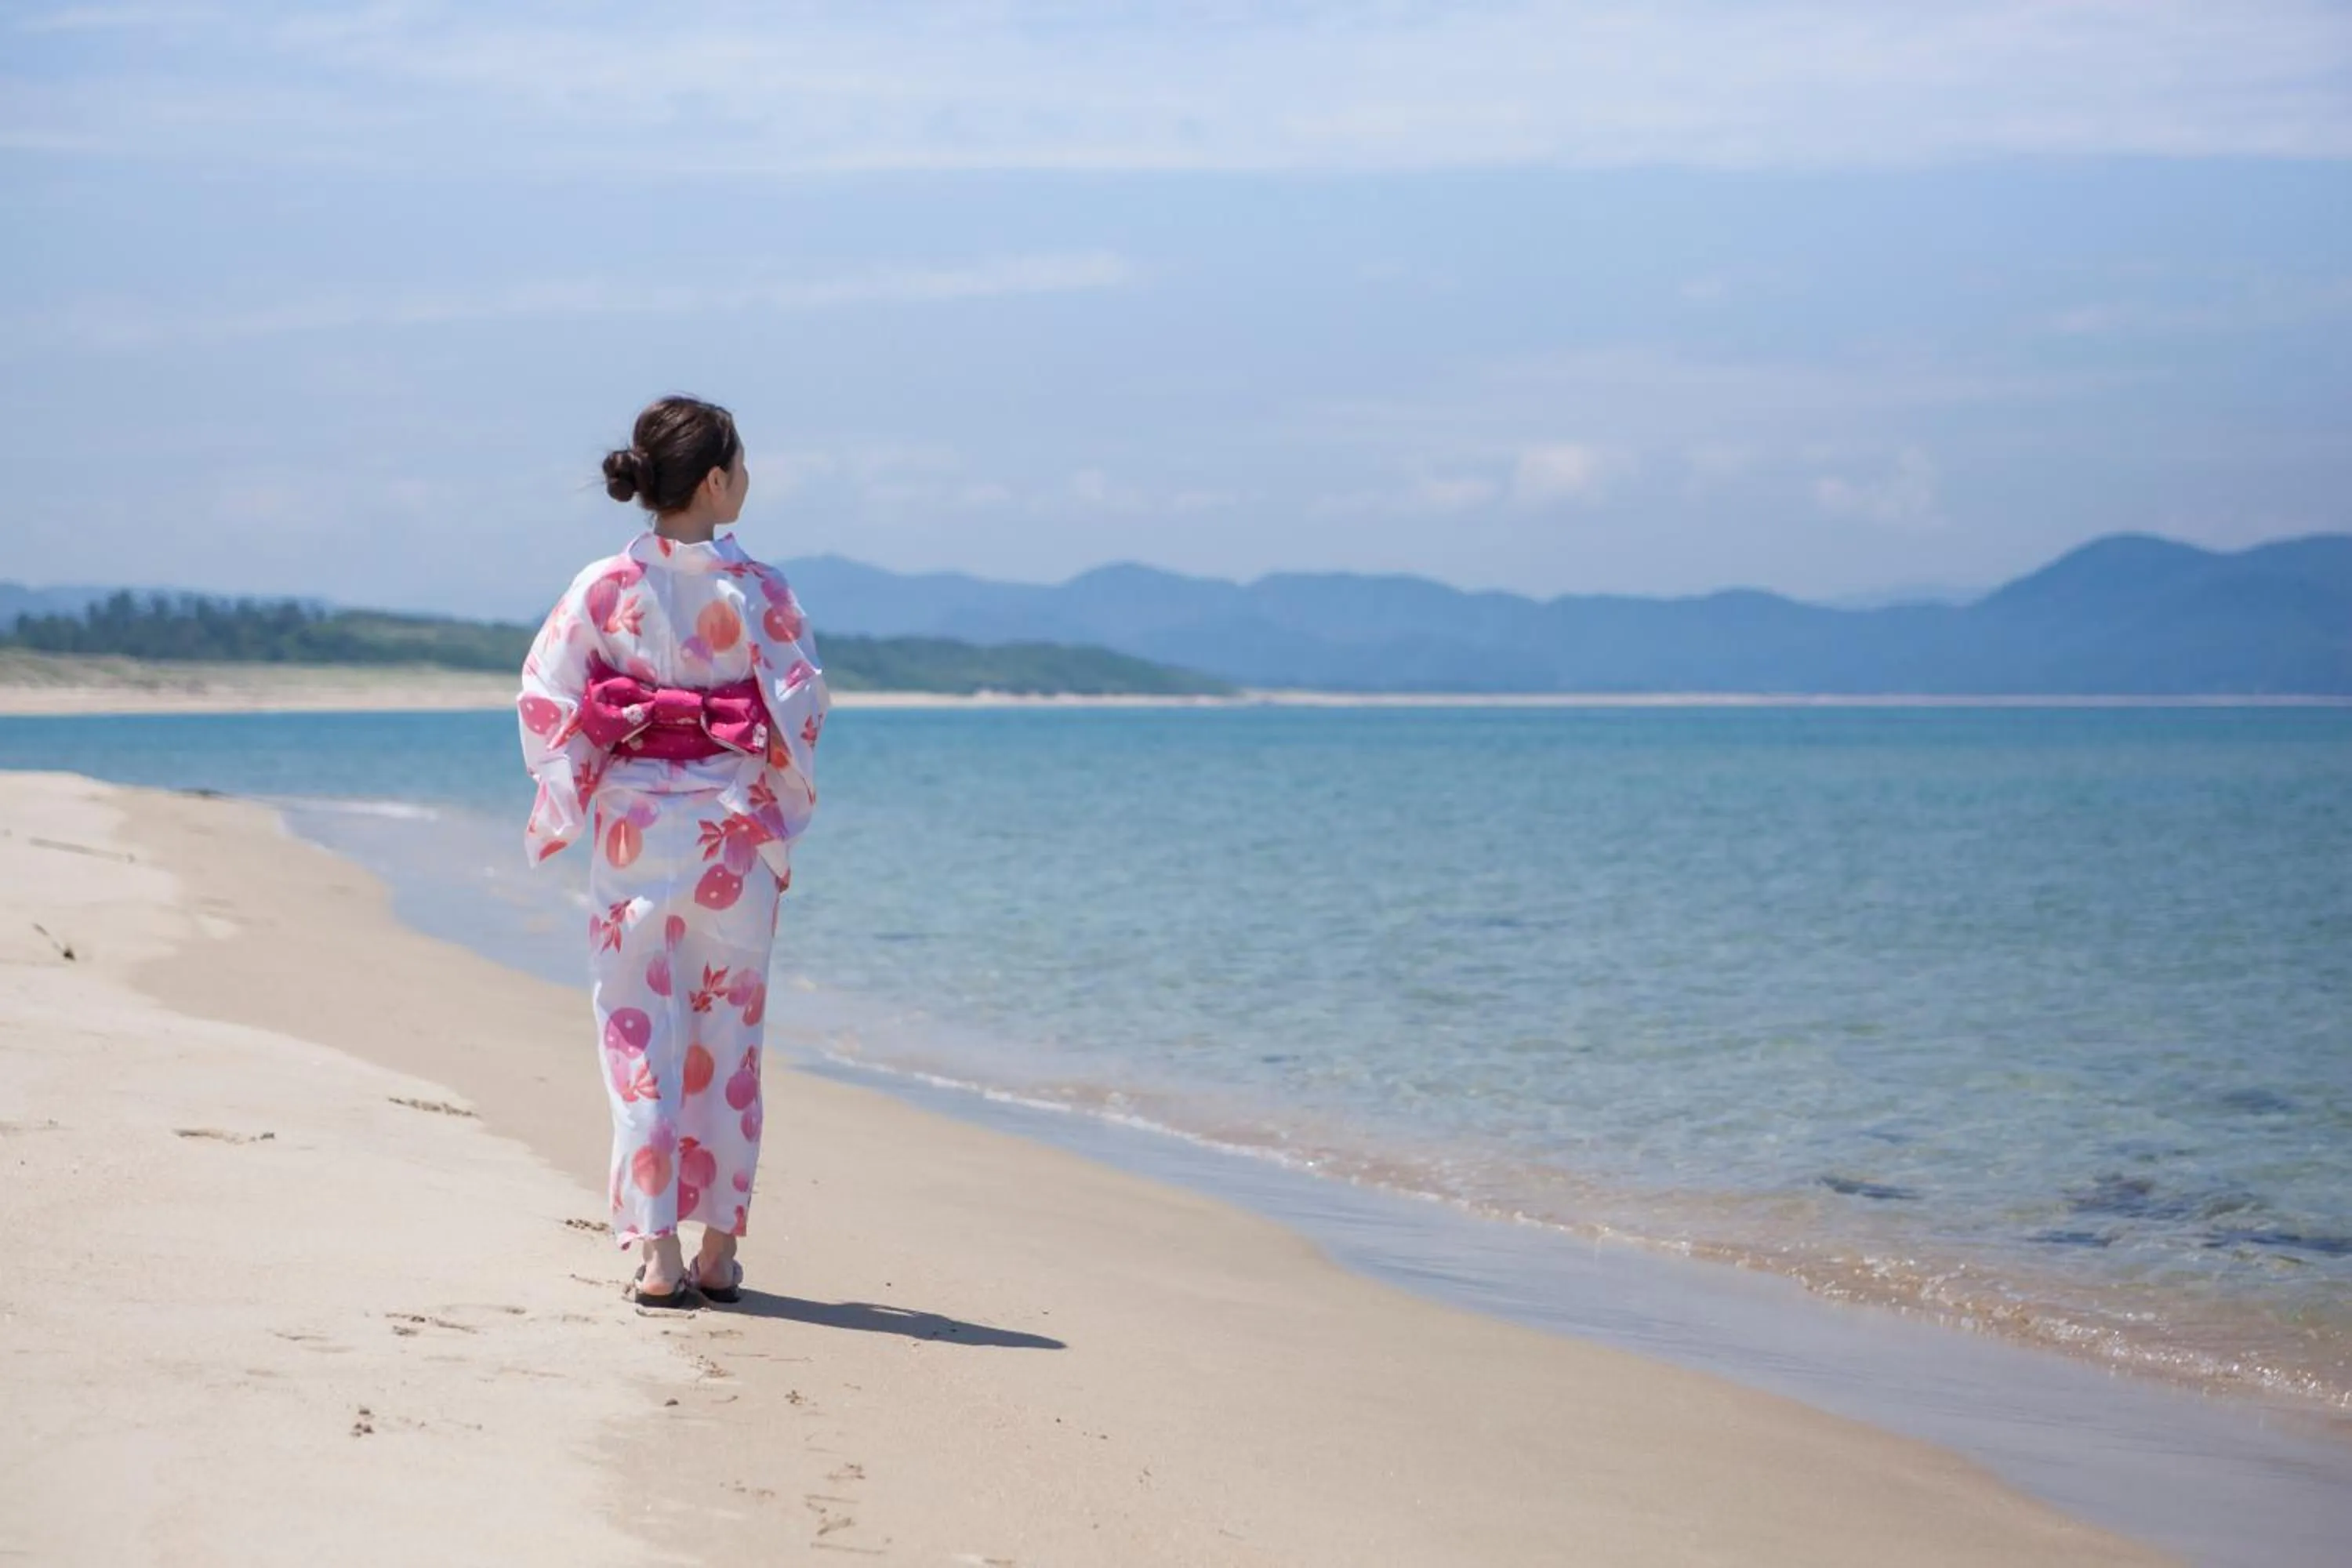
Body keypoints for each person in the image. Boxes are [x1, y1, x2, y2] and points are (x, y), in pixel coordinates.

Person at [516, 394, 827, 1308]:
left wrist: (584, 773)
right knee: (730, 1037)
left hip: (632, 835)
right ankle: (720, 1249)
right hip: (730, 832)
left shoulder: (603, 588)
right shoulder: (763, 592)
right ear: (718, 479)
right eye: (744, 463)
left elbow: (547, 694)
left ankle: (655, 1252)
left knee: (636, 1033)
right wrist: (769, 795)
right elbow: (800, 709)